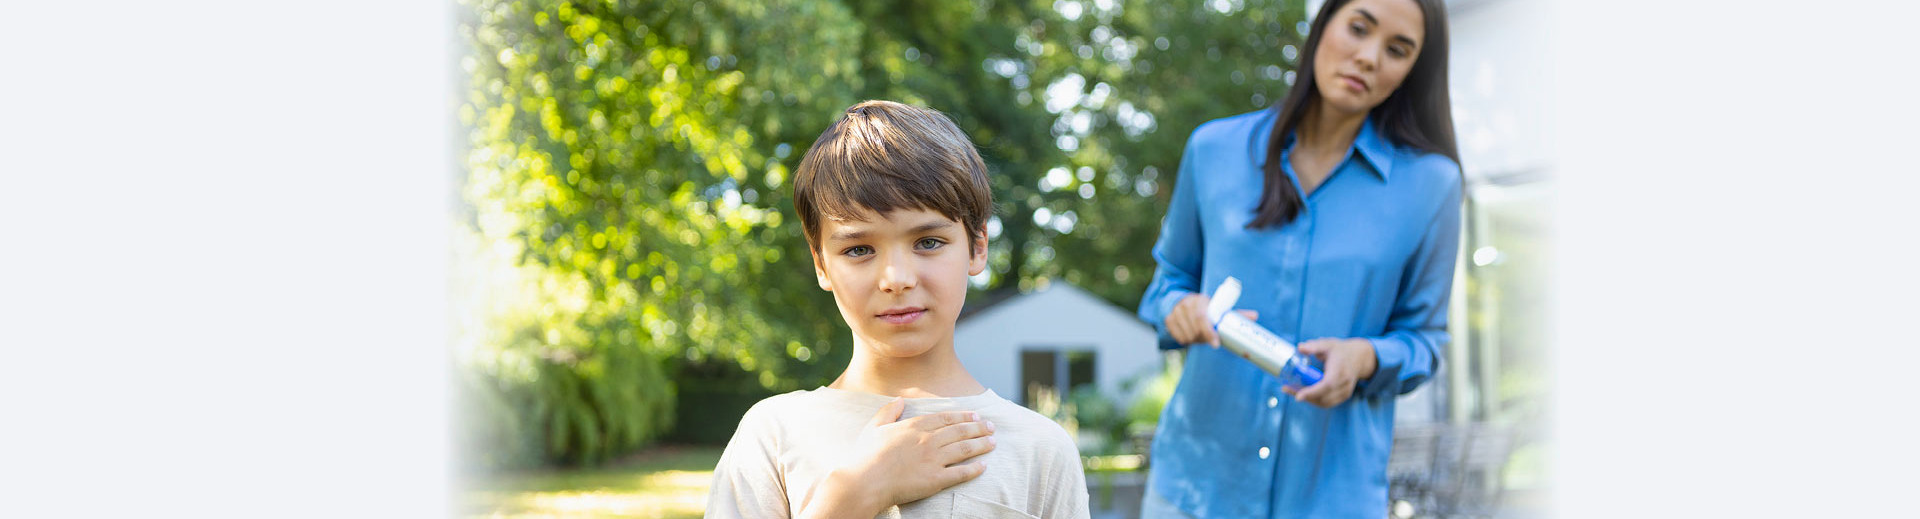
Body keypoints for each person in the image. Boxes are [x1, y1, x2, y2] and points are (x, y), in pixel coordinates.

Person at [1134, 0, 1462, 517]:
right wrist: (1181, 310)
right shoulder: (1213, 150)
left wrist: (1366, 358)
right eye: (1359, 29)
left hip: (1334, 496)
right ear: (1323, 24)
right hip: (1195, 490)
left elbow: (1426, 340)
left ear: (1411, 72)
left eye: (1397, 50)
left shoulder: (1431, 185)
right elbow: (1167, 284)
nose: (1370, 57)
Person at [706, 100, 1091, 519]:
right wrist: (854, 494)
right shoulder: (774, 434)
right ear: (821, 263)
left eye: (927, 242)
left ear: (977, 247)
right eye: (858, 249)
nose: (896, 278)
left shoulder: (1040, 450)